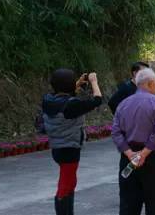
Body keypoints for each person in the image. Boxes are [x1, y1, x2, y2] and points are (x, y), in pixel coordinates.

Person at [43, 69, 103, 215]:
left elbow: (64, 96)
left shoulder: (48, 100)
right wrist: (94, 81)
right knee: (66, 186)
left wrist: (76, 84)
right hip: (70, 149)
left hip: (57, 148)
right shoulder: (72, 105)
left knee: (68, 183)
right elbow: (97, 100)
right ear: (69, 85)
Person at [112, 68, 155, 215]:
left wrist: (130, 154)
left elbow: (116, 132)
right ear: (150, 83)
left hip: (128, 157)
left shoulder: (123, 104)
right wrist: (143, 154)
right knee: (154, 201)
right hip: (153, 157)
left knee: (128, 202)